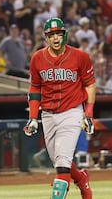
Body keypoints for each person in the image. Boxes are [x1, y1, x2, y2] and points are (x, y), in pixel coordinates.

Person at [23, 18, 96, 199]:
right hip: (47, 115)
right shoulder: (37, 58)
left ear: (65, 35)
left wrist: (88, 113)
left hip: (72, 112)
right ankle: (80, 179)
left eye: (58, 34)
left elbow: (90, 85)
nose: (55, 38)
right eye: (51, 35)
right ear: (46, 38)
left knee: (62, 164)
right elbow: (35, 88)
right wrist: (33, 117)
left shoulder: (80, 56)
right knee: (59, 162)